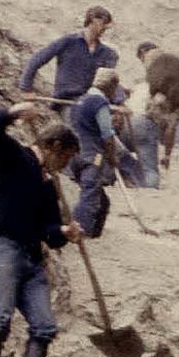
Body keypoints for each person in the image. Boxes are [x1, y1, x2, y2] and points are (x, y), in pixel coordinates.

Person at [0, 102, 82, 357]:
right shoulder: (13, 156)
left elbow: (49, 233)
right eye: (65, 158)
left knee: (44, 326)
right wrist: (13, 113)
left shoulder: (49, 185)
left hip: (32, 260)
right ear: (55, 147)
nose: (64, 166)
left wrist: (64, 231)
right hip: (3, 248)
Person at [69, 67, 134, 238]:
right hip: (93, 155)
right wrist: (112, 157)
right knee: (90, 193)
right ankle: (81, 231)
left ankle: (93, 230)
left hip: (75, 153)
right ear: (110, 87)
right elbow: (107, 134)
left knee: (98, 196)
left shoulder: (81, 101)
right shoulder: (100, 103)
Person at [19, 5, 117, 113]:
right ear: (93, 20)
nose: (105, 28)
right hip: (66, 102)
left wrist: (119, 101)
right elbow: (36, 60)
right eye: (103, 23)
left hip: (92, 104)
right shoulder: (68, 42)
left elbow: (110, 82)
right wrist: (26, 88)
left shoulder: (108, 54)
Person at [136, 42, 179, 171]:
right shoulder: (172, 55)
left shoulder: (150, 58)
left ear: (142, 53)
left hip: (166, 94)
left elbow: (154, 80)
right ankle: (175, 151)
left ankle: (166, 150)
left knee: (157, 116)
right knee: (176, 120)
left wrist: (153, 95)